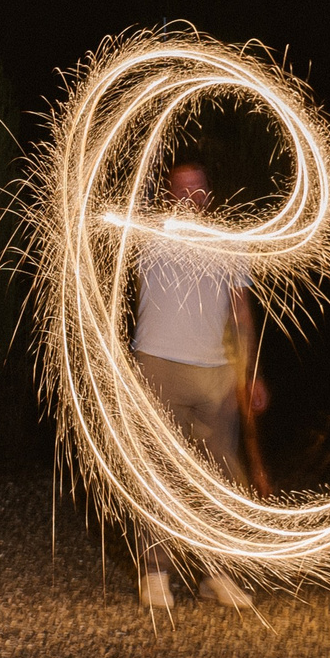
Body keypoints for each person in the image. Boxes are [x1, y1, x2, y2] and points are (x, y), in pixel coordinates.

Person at [129, 160, 265, 611]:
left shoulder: (228, 243)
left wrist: (246, 374)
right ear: (167, 194)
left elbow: (241, 315)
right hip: (158, 366)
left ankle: (217, 574)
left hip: (215, 374)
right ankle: (155, 573)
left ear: (209, 194)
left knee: (218, 479)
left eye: (198, 189)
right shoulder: (148, 233)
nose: (190, 198)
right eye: (181, 190)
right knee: (157, 474)